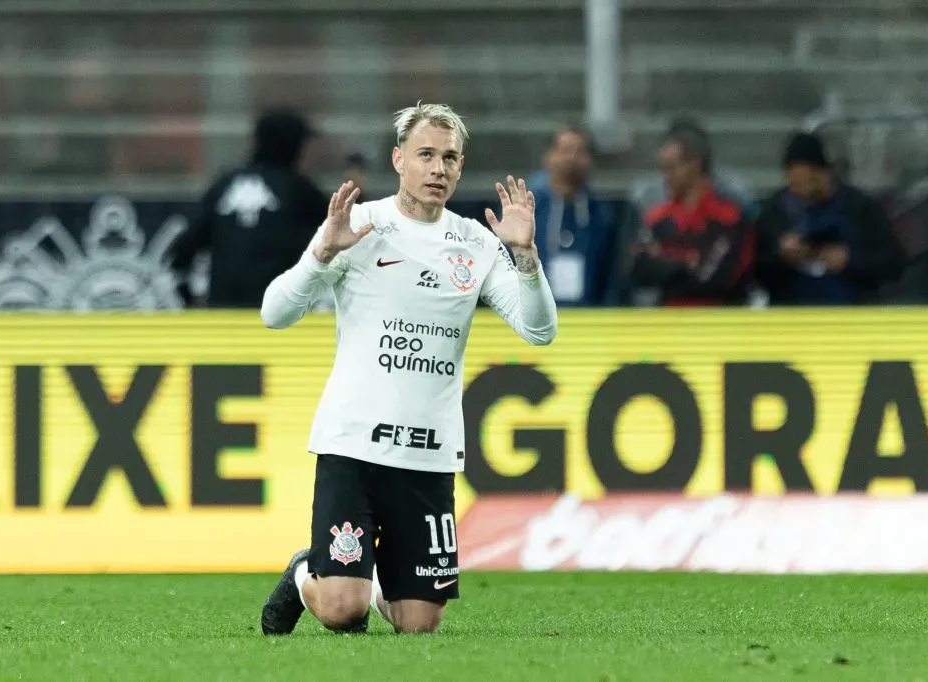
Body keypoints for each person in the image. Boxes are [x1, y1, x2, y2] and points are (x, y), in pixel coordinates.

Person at [258, 102, 558, 636]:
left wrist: (526, 257)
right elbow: (274, 313)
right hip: (354, 446)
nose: (438, 169)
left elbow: (539, 330)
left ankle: (357, 577)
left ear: (461, 167)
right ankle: (308, 572)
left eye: (449, 158)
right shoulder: (359, 226)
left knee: (417, 624)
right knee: (341, 611)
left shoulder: (477, 243)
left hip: (429, 454)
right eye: (425, 155)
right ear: (399, 159)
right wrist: (321, 253)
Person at [170, 108, 327, 307]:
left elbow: (183, 249)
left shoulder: (223, 185)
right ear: (292, 145)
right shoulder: (298, 189)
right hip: (276, 311)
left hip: (223, 310)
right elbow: (339, 230)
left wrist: (188, 297)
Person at [755, 132, 905, 305]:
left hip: (853, 312)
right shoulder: (773, 213)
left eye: (812, 181)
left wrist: (850, 260)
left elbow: (893, 263)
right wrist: (781, 255)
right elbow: (755, 270)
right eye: (796, 183)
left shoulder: (861, 208)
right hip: (792, 313)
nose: (805, 191)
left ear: (827, 172)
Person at [629, 123, 755, 306]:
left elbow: (714, 279)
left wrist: (664, 258)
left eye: (671, 168)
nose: (665, 177)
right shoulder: (657, 217)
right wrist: (686, 261)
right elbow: (638, 270)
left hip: (718, 324)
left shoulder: (729, 218)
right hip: (666, 325)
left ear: (694, 164)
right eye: (663, 169)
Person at [527, 125, 623, 306]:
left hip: (587, 321)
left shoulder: (601, 216)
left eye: (580, 152)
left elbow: (610, 277)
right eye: (565, 150)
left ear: (590, 161)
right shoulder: (527, 210)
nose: (571, 159)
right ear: (549, 157)